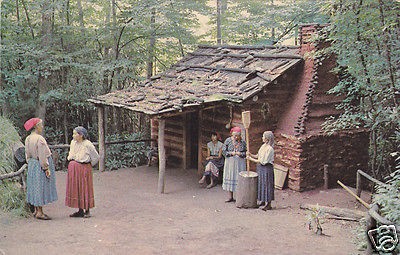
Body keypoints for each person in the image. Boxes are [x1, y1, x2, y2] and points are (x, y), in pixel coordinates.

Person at [24, 118, 58, 220]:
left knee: (34, 186)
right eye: (41, 125)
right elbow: (42, 155)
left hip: (32, 164)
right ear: (36, 126)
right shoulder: (39, 139)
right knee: (40, 187)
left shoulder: (28, 138)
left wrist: (30, 162)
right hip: (39, 164)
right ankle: (39, 211)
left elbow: (27, 154)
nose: (42, 127)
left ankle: (36, 209)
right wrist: (46, 167)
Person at [65, 126, 99, 218]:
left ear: (81, 135)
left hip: (84, 167)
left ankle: (87, 210)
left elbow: (96, 157)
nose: (73, 135)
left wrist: (88, 166)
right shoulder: (73, 143)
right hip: (74, 168)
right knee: (77, 188)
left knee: (85, 187)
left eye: (75, 134)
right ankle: (80, 210)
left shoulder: (88, 144)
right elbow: (71, 154)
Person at [247, 131, 275, 210]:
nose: (262, 138)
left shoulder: (270, 149)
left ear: (267, 139)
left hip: (266, 168)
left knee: (267, 185)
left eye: (263, 136)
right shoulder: (263, 146)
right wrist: (250, 154)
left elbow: (263, 161)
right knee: (261, 184)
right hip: (260, 168)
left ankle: (268, 204)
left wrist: (250, 159)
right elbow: (258, 156)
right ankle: (262, 200)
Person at [222, 126, 247, 202]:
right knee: (230, 176)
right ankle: (230, 196)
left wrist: (241, 154)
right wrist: (230, 153)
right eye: (234, 135)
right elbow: (223, 151)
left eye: (237, 136)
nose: (236, 137)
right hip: (230, 162)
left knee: (238, 178)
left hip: (240, 163)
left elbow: (246, 152)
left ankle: (239, 197)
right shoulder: (228, 141)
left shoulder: (243, 142)